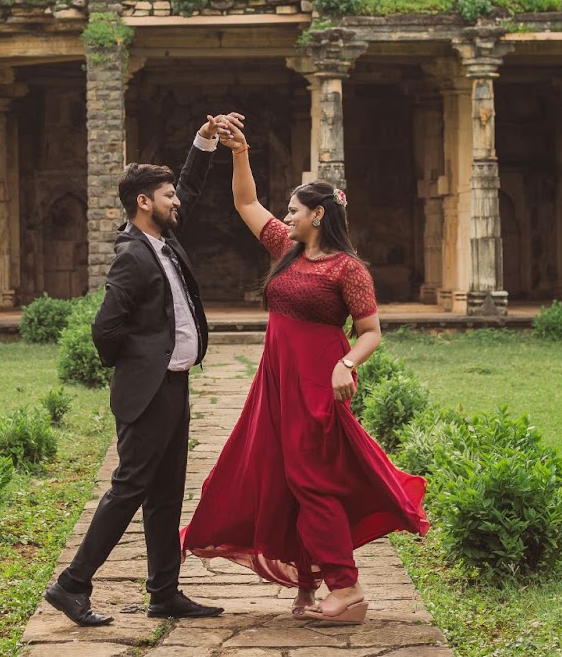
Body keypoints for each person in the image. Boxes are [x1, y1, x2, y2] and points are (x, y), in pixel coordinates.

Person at [179, 119, 428, 625]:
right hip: (276, 381)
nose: (285, 216)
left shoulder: (347, 269)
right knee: (281, 478)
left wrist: (346, 363)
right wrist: (240, 153)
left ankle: (347, 587)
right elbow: (246, 204)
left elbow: (371, 331)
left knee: (312, 481)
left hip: (318, 380)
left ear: (317, 214)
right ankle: (308, 586)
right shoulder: (286, 249)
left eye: (293, 209)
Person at [43, 114, 243, 627]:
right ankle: (71, 585)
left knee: (167, 493)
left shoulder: (166, 241)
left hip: (174, 386)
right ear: (143, 203)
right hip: (150, 390)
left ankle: (164, 592)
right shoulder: (133, 256)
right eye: (167, 194)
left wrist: (205, 141)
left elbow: (192, 187)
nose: (177, 200)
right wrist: (142, 365)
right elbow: (104, 331)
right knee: (129, 488)